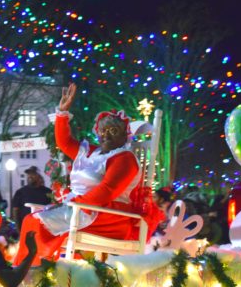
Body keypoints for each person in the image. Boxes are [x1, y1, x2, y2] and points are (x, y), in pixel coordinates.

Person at [13, 83, 148, 266]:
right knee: (32, 220)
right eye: (103, 131)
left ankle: (33, 268)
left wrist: (74, 203)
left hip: (107, 216)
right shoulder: (91, 152)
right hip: (81, 209)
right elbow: (64, 142)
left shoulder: (125, 158)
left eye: (113, 131)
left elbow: (107, 191)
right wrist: (62, 113)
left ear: (125, 135)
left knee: (36, 221)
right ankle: (31, 268)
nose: (106, 135)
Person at [11, 166, 52, 231]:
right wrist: (19, 230)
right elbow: (15, 212)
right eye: (28, 174)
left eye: (33, 174)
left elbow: (53, 209)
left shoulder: (48, 192)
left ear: (38, 176)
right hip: (26, 228)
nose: (30, 176)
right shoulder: (20, 192)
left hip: (43, 228)